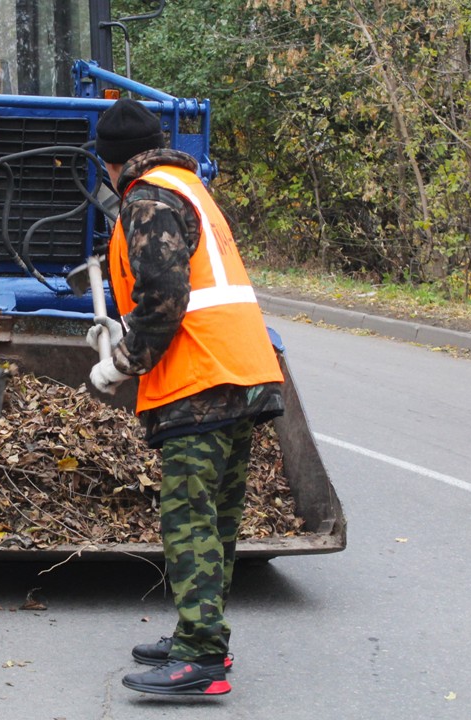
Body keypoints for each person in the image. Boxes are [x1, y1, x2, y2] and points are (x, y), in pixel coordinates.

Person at [87, 98, 286, 696]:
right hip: (245, 373)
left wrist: (122, 363)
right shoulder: (187, 186)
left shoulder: (146, 198)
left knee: (189, 518)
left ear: (111, 162)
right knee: (218, 519)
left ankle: (200, 659)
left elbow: (168, 297)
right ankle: (203, 638)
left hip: (199, 379)